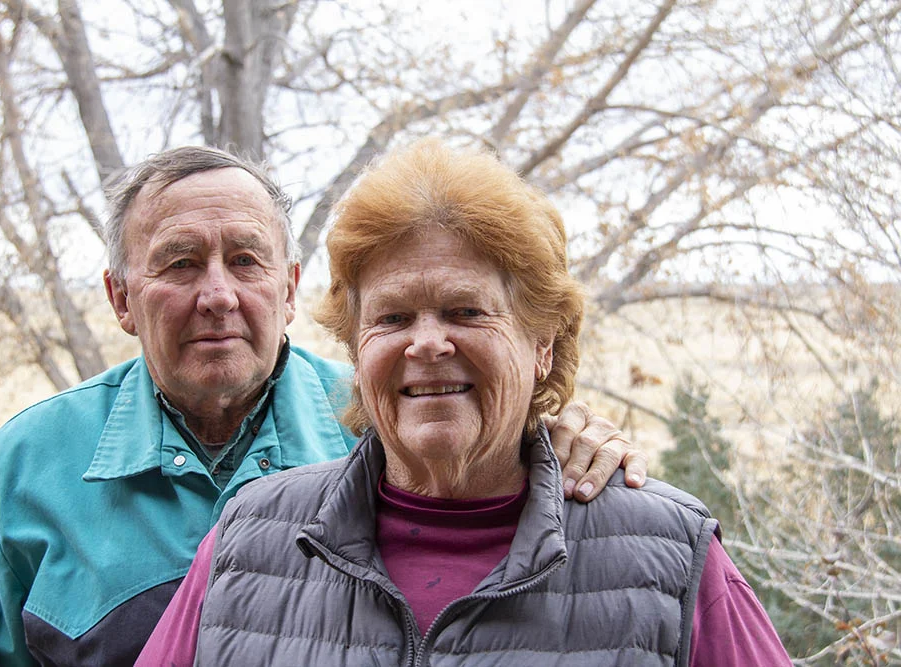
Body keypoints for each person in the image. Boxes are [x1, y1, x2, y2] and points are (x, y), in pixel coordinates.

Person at [0, 146, 647, 666]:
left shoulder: (389, 421)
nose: (218, 295)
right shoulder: (24, 468)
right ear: (120, 297)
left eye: (246, 260)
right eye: (180, 263)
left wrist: (556, 434)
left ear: (290, 287)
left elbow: (496, 456)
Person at [137, 139, 792, 666]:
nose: (426, 343)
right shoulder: (247, 541)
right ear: (356, 350)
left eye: (465, 310)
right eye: (392, 317)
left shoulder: (669, 557)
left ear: (542, 343)